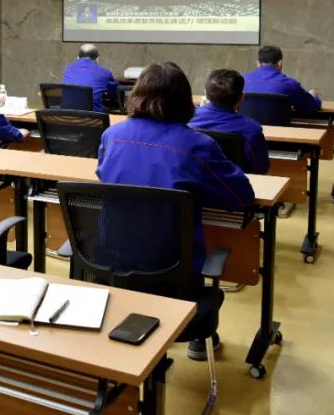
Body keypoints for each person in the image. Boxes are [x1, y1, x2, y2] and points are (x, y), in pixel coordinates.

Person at [97, 62, 254, 360]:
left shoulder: (111, 136)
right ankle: (198, 339)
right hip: (174, 277)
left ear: (136, 94)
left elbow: (104, 176)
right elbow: (240, 196)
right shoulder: (197, 145)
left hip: (112, 268)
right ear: (185, 100)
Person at [189, 69, 270, 174]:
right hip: (235, 182)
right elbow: (260, 168)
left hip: (193, 178)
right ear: (241, 98)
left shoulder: (186, 119)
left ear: (206, 94)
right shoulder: (251, 130)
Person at [244, 45, 322, 116]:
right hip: (279, 127)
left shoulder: (242, 80)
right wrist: (314, 96)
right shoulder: (290, 84)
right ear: (280, 63)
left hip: (247, 126)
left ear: (258, 63)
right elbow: (310, 108)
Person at [61, 44, 118, 112]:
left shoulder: (68, 69)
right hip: (93, 116)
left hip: (67, 115)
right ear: (97, 59)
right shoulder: (105, 73)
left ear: (78, 58)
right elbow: (114, 94)